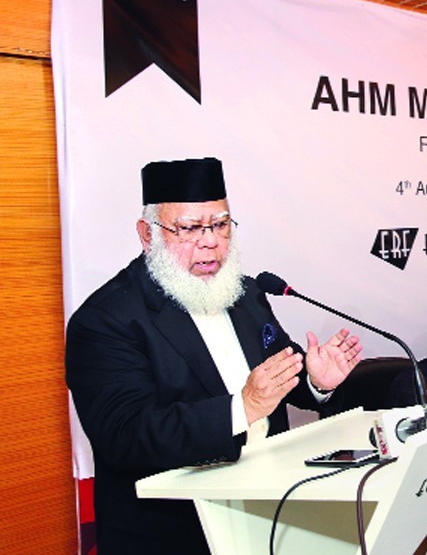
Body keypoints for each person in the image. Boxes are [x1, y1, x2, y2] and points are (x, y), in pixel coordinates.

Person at [65, 157, 363, 555]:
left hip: (269, 515)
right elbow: (125, 435)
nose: (210, 241)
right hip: (177, 532)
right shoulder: (105, 319)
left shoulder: (245, 293)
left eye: (221, 224)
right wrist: (242, 408)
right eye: (189, 228)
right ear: (147, 234)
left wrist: (314, 381)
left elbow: (277, 377)